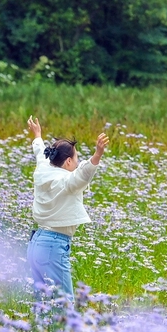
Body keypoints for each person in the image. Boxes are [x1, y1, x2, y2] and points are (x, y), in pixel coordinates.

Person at [26, 115, 108, 298]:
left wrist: (37, 135)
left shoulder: (43, 170)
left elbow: (40, 153)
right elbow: (82, 175)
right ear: (69, 161)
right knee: (64, 305)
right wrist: (97, 155)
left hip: (36, 244)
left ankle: (39, 328)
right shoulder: (67, 181)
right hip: (53, 246)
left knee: (43, 303)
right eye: (76, 158)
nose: (78, 162)